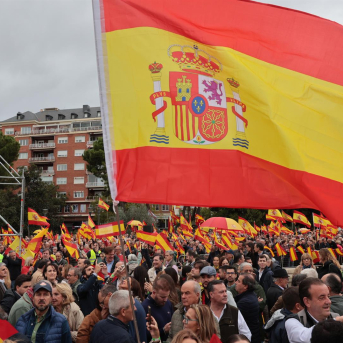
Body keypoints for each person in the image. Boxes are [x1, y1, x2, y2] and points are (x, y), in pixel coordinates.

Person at [285, 277, 340, 343]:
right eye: (322, 298)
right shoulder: (293, 321)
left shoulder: (335, 316)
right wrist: (336, 321)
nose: (328, 301)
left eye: (328, 296)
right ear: (307, 301)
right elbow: (304, 337)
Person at [142, 277, 173, 342]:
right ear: (153, 292)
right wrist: (163, 330)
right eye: (162, 297)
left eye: (167, 296)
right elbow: (144, 334)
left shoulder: (168, 303)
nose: (165, 300)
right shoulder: (144, 307)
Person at [235, 274, 260, 343]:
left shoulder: (245, 302)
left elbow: (236, 321)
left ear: (245, 286)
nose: (235, 282)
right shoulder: (250, 296)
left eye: (238, 281)